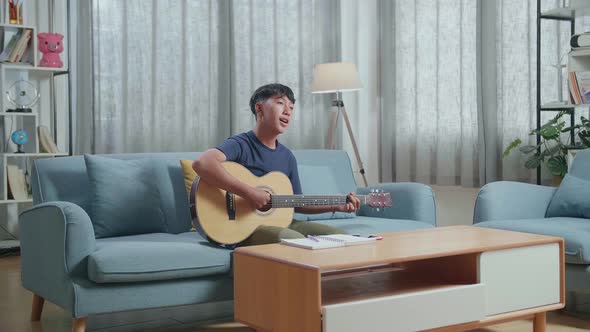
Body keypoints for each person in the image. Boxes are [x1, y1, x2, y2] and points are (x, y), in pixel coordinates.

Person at [192, 83, 361, 246]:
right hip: (242, 228)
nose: (288, 111)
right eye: (280, 103)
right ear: (259, 109)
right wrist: (250, 193)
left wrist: (336, 205)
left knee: (342, 238)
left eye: (292, 107)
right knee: (292, 240)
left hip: (280, 223)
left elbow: (298, 203)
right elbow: (203, 163)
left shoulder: (287, 157)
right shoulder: (241, 144)